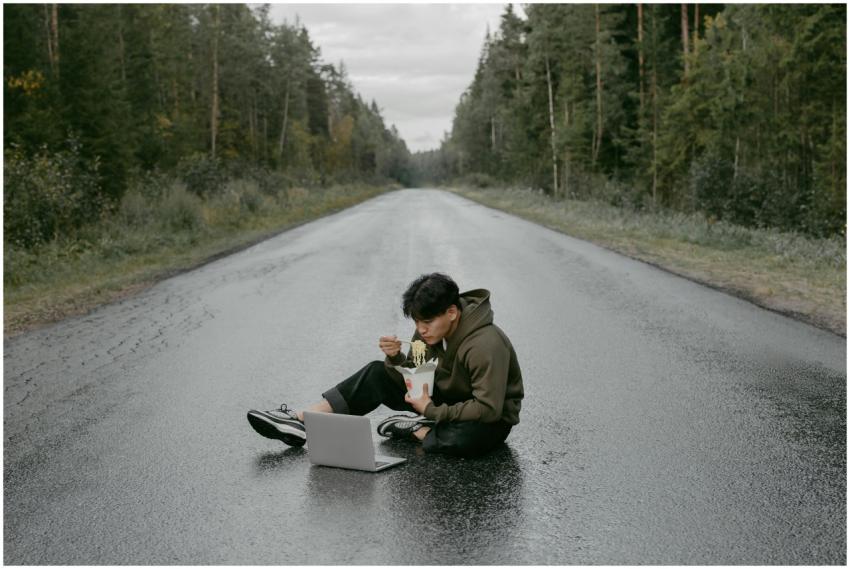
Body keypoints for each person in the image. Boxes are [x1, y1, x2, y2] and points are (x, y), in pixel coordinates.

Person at [246, 272, 524, 457]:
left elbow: (488, 409)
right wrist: (394, 358)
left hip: (489, 418)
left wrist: (430, 410)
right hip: (441, 401)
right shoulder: (426, 334)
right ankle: (303, 420)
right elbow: (415, 371)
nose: (421, 330)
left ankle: (417, 428)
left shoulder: (485, 344)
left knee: (465, 441)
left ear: (452, 313)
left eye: (427, 322)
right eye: (416, 322)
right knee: (377, 373)